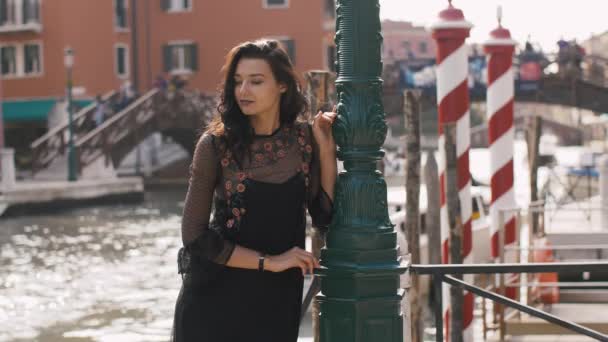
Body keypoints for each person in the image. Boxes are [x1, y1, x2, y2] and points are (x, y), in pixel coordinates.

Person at [171, 39, 337, 341]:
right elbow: (194, 236)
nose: (243, 90)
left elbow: (324, 215)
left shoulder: (303, 141)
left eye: (256, 81)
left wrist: (325, 151)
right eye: (237, 81)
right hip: (214, 303)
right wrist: (270, 262)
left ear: (283, 85)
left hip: (277, 301)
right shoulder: (214, 146)